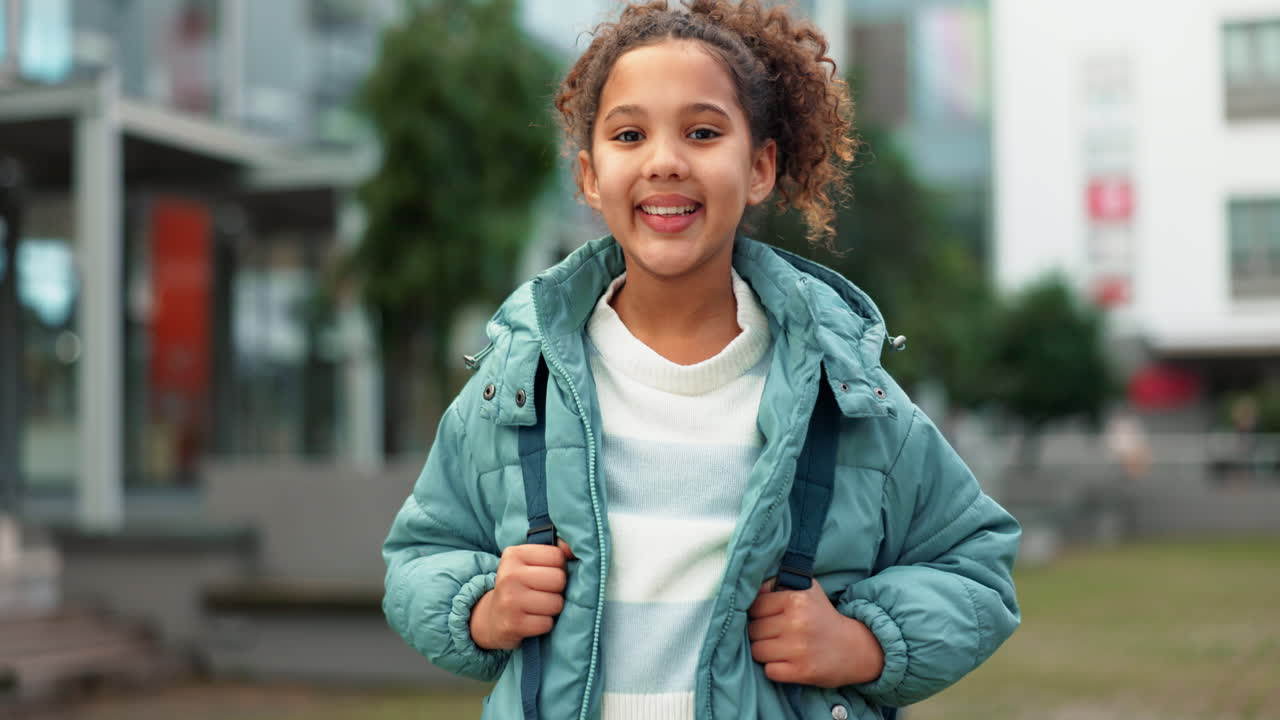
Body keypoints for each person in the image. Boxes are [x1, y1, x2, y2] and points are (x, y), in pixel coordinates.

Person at [382, 2, 1020, 718]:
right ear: (591, 177)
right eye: (629, 134)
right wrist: (483, 609)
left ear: (759, 167)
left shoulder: (843, 396)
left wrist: (863, 642)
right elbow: (418, 555)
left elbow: (977, 565)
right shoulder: (518, 387)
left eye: (703, 132)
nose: (664, 160)